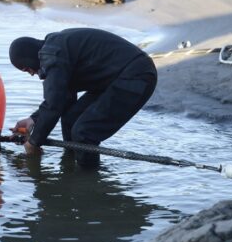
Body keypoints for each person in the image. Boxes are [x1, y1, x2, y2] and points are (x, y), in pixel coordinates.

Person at [9, 27, 157, 167]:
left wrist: (34, 142)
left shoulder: (52, 57)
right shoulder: (54, 49)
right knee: (70, 118)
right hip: (114, 79)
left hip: (137, 76)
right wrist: (33, 119)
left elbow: (54, 104)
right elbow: (61, 97)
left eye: (27, 69)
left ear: (29, 59)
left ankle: (88, 180)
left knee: (84, 132)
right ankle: (71, 165)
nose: (32, 73)